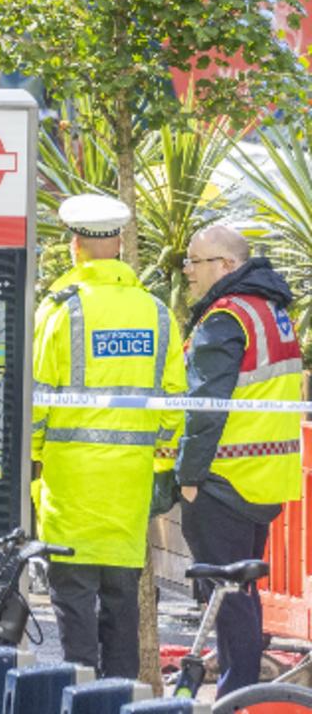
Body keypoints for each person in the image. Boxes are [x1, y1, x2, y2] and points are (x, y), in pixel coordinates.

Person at [32, 193, 184, 681]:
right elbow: (173, 402)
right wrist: (159, 461)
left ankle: (80, 698)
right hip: (128, 491)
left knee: (73, 608)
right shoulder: (156, 312)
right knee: (122, 610)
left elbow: (37, 401)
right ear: (119, 245)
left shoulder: (59, 311)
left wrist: (34, 458)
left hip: (70, 490)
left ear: (75, 246)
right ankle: (121, 699)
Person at [175, 224, 302, 694]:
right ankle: (243, 691)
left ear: (227, 265)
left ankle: (237, 695)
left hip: (223, 477)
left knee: (228, 597)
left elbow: (205, 407)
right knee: (240, 592)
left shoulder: (227, 317)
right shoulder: (272, 311)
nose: (187, 271)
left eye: (195, 261)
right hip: (264, 476)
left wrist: (189, 476)